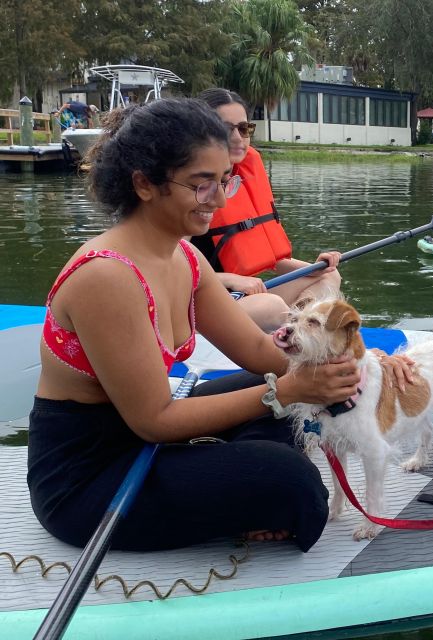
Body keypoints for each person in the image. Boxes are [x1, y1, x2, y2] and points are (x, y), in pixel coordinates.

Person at [27, 98, 410, 553]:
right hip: (87, 477)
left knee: (275, 392)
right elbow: (155, 421)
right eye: (203, 184)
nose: (222, 200)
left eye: (225, 180)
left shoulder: (184, 257)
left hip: (140, 436)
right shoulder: (107, 276)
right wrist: (289, 392)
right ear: (144, 184)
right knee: (293, 480)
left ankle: (224, 487)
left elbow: (263, 354)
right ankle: (241, 492)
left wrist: (368, 365)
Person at [193, 88, 341, 332]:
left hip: (238, 296)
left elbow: (265, 256)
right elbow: (169, 270)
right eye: (225, 129)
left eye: (243, 128)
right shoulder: (189, 186)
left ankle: (299, 333)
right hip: (200, 300)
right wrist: (231, 279)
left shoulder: (242, 178)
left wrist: (314, 267)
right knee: (271, 306)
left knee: (329, 277)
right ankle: (298, 334)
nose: (238, 137)